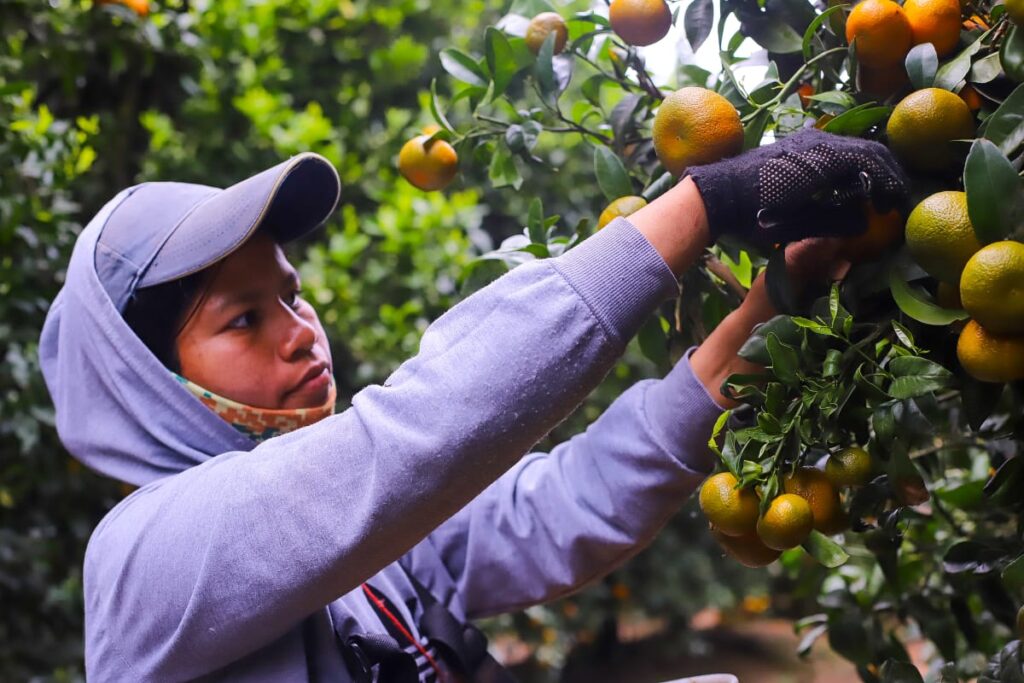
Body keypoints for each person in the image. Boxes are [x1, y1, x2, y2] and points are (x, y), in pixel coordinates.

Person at [39, 128, 906, 681]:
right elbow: (424, 431)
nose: (302, 332)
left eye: (292, 296)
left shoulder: (373, 551)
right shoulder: (145, 562)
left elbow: (562, 504)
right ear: (147, 383)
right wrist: (706, 202)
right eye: (243, 319)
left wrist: (770, 309)